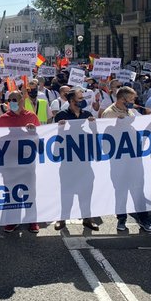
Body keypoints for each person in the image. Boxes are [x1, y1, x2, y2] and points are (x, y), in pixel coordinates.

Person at [102, 86, 151, 233]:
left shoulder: (130, 111)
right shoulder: (109, 114)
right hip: (118, 159)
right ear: (122, 99)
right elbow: (106, 137)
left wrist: (148, 117)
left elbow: (141, 125)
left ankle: (144, 219)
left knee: (138, 189)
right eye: (131, 99)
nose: (133, 102)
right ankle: (121, 219)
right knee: (121, 190)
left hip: (134, 158)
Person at [54, 88, 99, 231]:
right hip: (68, 161)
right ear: (71, 100)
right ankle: (62, 218)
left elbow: (94, 137)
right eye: (79, 99)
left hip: (84, 161)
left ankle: (87, 218)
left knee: (86, 191)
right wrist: (60, 129)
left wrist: (94, 128)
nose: (82, 101)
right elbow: (57, 138)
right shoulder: (62, 115)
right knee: (66, 192)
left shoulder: (87, 114)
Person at [0, 90, 41, 233]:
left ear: (22, 100)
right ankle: (13, 220)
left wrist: (32, 133)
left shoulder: (31, 117)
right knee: (11, 192)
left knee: (30, 192)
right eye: (10, 100)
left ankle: (32, 220)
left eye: (15, 99)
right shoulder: (3, 119)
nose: (12, 102)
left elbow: (40, 140)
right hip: (9, 163)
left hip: (27, 163)